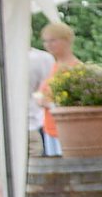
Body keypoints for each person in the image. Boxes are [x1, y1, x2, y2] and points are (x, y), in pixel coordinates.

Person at [35, 21, 82, 155]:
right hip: (50, 128)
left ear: (67, 41)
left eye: (53, 41)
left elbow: (76, 102)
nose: (48, 45)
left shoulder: (75, 68)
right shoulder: (53, 66)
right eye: (45, 41)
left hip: (66, 131)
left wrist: (49, 103)